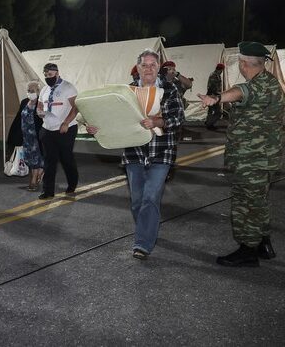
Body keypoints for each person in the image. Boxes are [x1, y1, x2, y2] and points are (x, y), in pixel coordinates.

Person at [86, 49, 184, 259]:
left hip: (162, 151)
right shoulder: (125, 91)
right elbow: (112, 118)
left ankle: (143, 243)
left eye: (153, 65)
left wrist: (159, 122)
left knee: (150, 197)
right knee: (137, 201)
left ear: (159, 68)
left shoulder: (170, 89)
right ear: (138, 67)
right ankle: (147, 227)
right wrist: (97, 128)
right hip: (133, 151)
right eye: (144, 65)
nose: (149, 68)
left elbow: (178, 118)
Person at [198, 42, 285, 267]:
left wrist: (216, 98)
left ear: (243, 63)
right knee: (259, 201)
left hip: (252, 160)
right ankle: (263, 243)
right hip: (264, 157)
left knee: (245, 203)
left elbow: (240, 93)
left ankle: (248, 250)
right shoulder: (271, 82)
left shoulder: (257, 86)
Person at [35, 63, 79, 199]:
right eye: (46, 75)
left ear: (57, 73)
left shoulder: (68, 87)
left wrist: (66, 123)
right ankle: (48, 191)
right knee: (49, 160)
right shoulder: (44, 90)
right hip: (48, 129)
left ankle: (72, 184)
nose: (48, 77)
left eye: (50, 74)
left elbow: (76, 107)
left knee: (66, 159)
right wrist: (39, 112)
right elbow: (40, 106)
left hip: (66, 129)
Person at [21, 81, 45, 191]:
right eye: (28, 90)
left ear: (38, 92)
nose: (30, 93)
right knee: (30, 159)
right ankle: (39, 174)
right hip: (27, 137)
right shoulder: (24, 102)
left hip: (38, 136)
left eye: (32, 91)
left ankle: (33, 181)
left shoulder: (41, 103)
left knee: (36, 159)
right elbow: (18, 119)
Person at [204, 63, 225, 130]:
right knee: (217, 112)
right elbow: (212, 87)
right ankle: (210, 124)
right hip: (213, 95)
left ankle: (208, 122)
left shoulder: (216, 75)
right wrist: (215, 96)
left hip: (213, 95)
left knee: (211, 110)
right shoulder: (214, 75)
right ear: (221, 69)